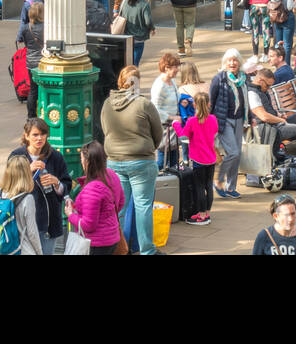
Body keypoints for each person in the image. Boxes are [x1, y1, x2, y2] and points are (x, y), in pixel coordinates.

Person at [101, 65, 164, 255]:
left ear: (120, 81)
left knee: (119, 207)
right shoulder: (143, 104)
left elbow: (105, 129)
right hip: (140, 161)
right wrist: (148, 147)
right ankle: (147, 250)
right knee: (143, 206)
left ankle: (117, 247)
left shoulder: (107, 104)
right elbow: (158, 132)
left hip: (114, 160)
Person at [9, 117, 71, 255]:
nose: (39, 138)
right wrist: (27, 170)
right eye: (35, 135)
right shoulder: (17, 156)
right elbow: (9, 186)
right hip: (23, 222)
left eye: (43, 134)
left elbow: (66, 185)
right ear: (26, 136)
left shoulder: (56, 157)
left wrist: (56, 183)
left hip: (48, 222)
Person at [67, 140, 125, 255]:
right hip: (112, 238)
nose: (81, 162)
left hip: (96, 244)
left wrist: (70, 214)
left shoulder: (92, 189)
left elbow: (88, 225)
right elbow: (121, 201)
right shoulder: (111, 174)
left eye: (82, 159)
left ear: (87, 161)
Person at [172, 92, 219, 225]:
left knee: (199, 187)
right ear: (209, 104)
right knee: (208, 186)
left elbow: (183, 136)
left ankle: (202, 216)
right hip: (211, 158)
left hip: (198, 159)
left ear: (194, 104)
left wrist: (176, 124)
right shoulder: (213, 118)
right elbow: (214, 132)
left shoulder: (193, 121)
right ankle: (207, 212)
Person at [209, 49, 248, 199]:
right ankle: (219, 181)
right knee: (233, 152)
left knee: (237, 156)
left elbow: (246, 101)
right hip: (223, 121)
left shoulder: (244, 79)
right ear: (225, 63)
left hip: (239, 119)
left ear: (239, 62)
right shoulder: (219, 79)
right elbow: (211, 102)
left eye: (235, 60)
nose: (232, 63)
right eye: (229, 60)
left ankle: (231, 187)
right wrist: (210, 123)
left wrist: (250, 118)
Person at [0, 155, 43, 255]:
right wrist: (40, 252)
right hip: (21, 249)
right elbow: (32, 233)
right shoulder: (27, 198)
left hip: (0, 248)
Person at [16, 1, 45, 118]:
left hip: (30, 62)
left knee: (33, 90)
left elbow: (25, 43)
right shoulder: (47, 27)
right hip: (43, 62)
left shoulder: (25, 28)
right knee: (44, 89)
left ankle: (31, 116)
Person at [118, 0, 154, 67]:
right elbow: (148, 21)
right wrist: (152, 28)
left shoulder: (124, 2)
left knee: (126, 63)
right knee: (135, 64)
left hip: (126, 37)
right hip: (139, 38)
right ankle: (133, 78)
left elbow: (120, 16)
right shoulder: (144, 4)